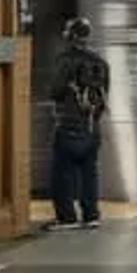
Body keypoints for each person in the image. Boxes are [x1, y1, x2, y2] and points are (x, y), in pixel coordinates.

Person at [45, 18, 109, 231]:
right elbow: (105, 94)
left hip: (68, 125)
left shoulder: (65, 60)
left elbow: (55, 91)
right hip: (92, 126)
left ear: (69, 36)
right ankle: (91, 215)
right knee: (89, 172)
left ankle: (66, 218)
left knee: (61, 173)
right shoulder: (100, 62)